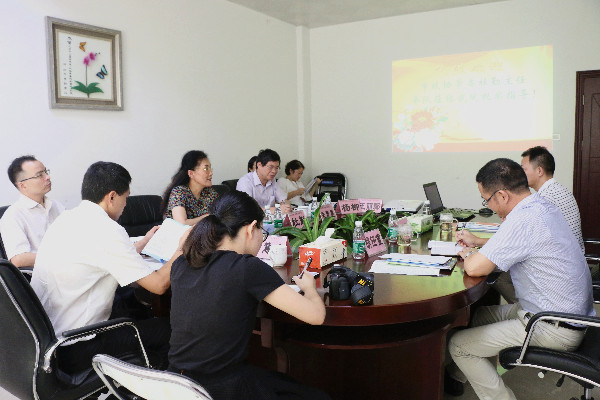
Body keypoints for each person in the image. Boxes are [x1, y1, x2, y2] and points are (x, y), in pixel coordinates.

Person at [446, 158, 594, 400]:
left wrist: (468, 253)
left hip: (551, 326)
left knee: (459, 346)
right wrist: (478, 245)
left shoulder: (523, 219)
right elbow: (514, 244)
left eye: (486, 200)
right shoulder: (540, 206)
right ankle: (463, 375)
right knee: (480, 316)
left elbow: (474, 268)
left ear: (502, 195)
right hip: (565, 315)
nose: (488, 206)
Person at [168, 191, 329, 400]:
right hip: (222, 388)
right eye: (263, 231)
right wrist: (309, 288)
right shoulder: (247, 268)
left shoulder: (181, 263)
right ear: (251, 228)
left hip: (177, 384)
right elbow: (316, 316)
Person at [31, 161, 180, 373]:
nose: (125, 205)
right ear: (111, 197)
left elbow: (101, 256)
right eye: (125, 198)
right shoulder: (107, 229)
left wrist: (143, 243)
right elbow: (158, 285)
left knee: (135, 309)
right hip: (80, 345)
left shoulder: (67, 218)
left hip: (50, 341)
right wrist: (181, 249)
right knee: (170, 329)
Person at [0, 155, 64, 268]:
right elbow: (18, 259)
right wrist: (61, 257)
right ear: (22, 185)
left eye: (46, 172)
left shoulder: (56, 205)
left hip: (70, 267)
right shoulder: (13, 216)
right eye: (39, 175)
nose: (47, 177)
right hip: (45, 274)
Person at [521, 146, 584, 252]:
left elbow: (529, 238)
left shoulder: (545, 198)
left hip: (561, 258)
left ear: (539, 171)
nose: (520, 174)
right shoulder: (558, 189)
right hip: (571, 256)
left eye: (523, 169)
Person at [161, 150, 219, 226]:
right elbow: (181, 224)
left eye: (210, 168)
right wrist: (208, 217)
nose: (211, 173)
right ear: (191, 173)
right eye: (206, 169)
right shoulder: (179, 192)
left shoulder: (210, 193)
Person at [236, 149, 291, 213]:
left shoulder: (272, 181)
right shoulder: (245, 182)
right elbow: (246, 209)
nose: (274, 171)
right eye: (270, 167)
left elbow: (283, 199)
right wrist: (275, 210)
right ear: (259, 165)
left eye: (276, 168)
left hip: (271, 218)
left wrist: (286, 206)